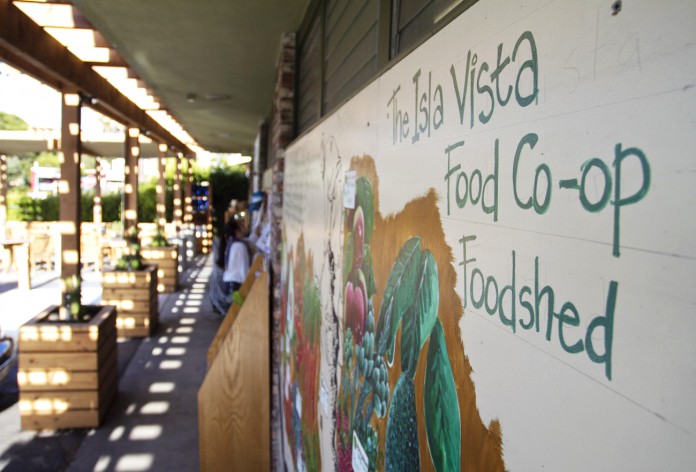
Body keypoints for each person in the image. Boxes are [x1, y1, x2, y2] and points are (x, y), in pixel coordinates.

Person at [222, 218, 251, 294]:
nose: (244, 227)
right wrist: (247, 286)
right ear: (237, 230)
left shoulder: (232, 242)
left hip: (230, 281)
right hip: (236, 283)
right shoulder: (239, 246)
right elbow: (244, 267)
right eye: (242, 226)